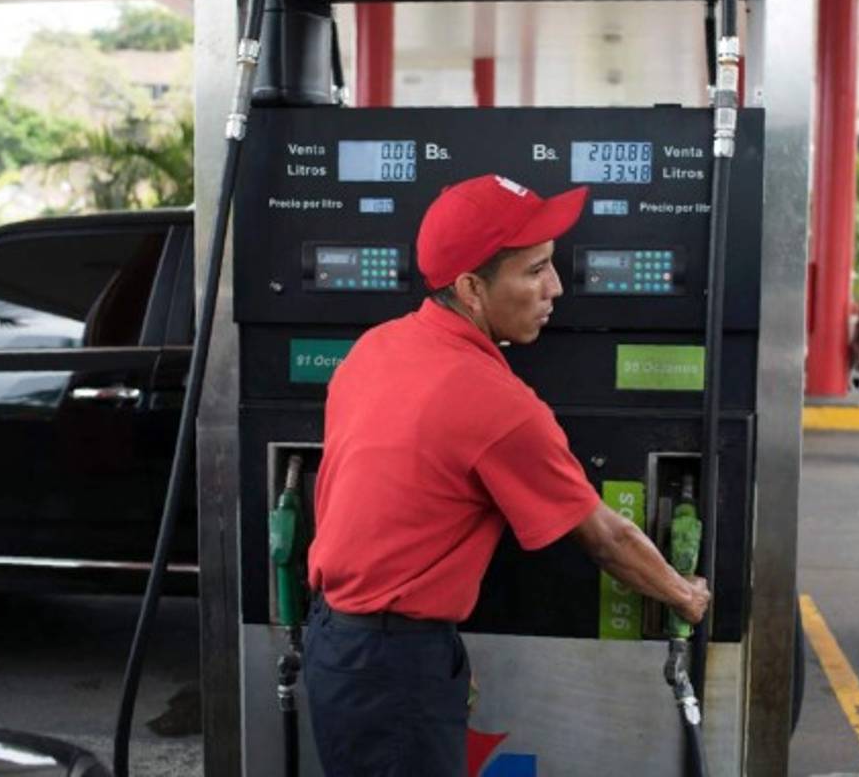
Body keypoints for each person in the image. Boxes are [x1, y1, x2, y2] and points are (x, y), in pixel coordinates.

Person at [304, 173, 711, 777]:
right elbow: (607, 538)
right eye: (535, 270)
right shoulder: (497, 403)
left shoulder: (375, 348)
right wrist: (685, 595)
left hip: (339, 641)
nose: (556, 287)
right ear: (471, 288)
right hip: (393, 664)